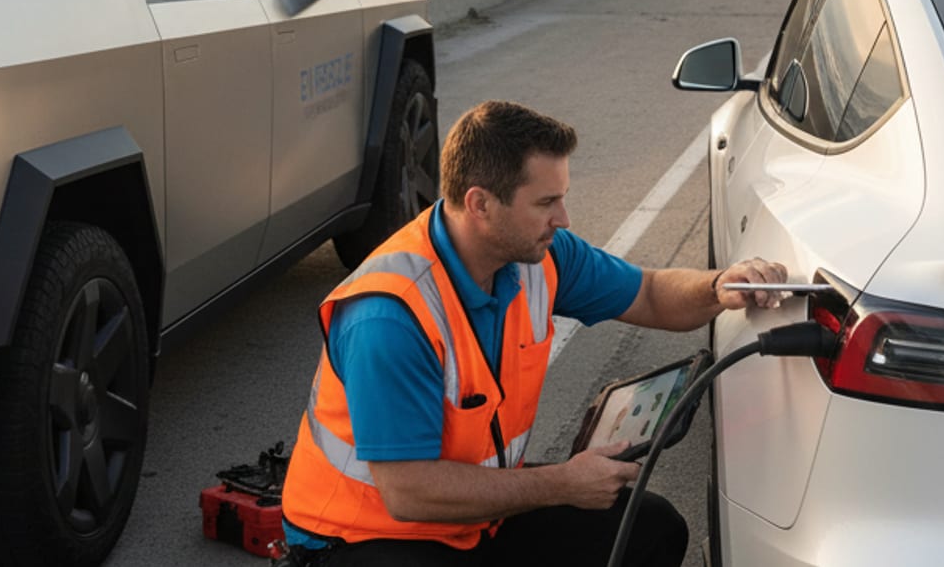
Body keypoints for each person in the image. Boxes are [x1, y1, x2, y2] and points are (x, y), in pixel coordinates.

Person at [279, 100, 789, 567]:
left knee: (651, 528)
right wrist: (561, 484)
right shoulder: (389, 317)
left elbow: (650, 294)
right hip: (364, 536)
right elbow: (409, 492)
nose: (562, 219)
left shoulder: (538, 257)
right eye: (546, 202)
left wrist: (720, 286)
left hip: (473, 515)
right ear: (480, 204)